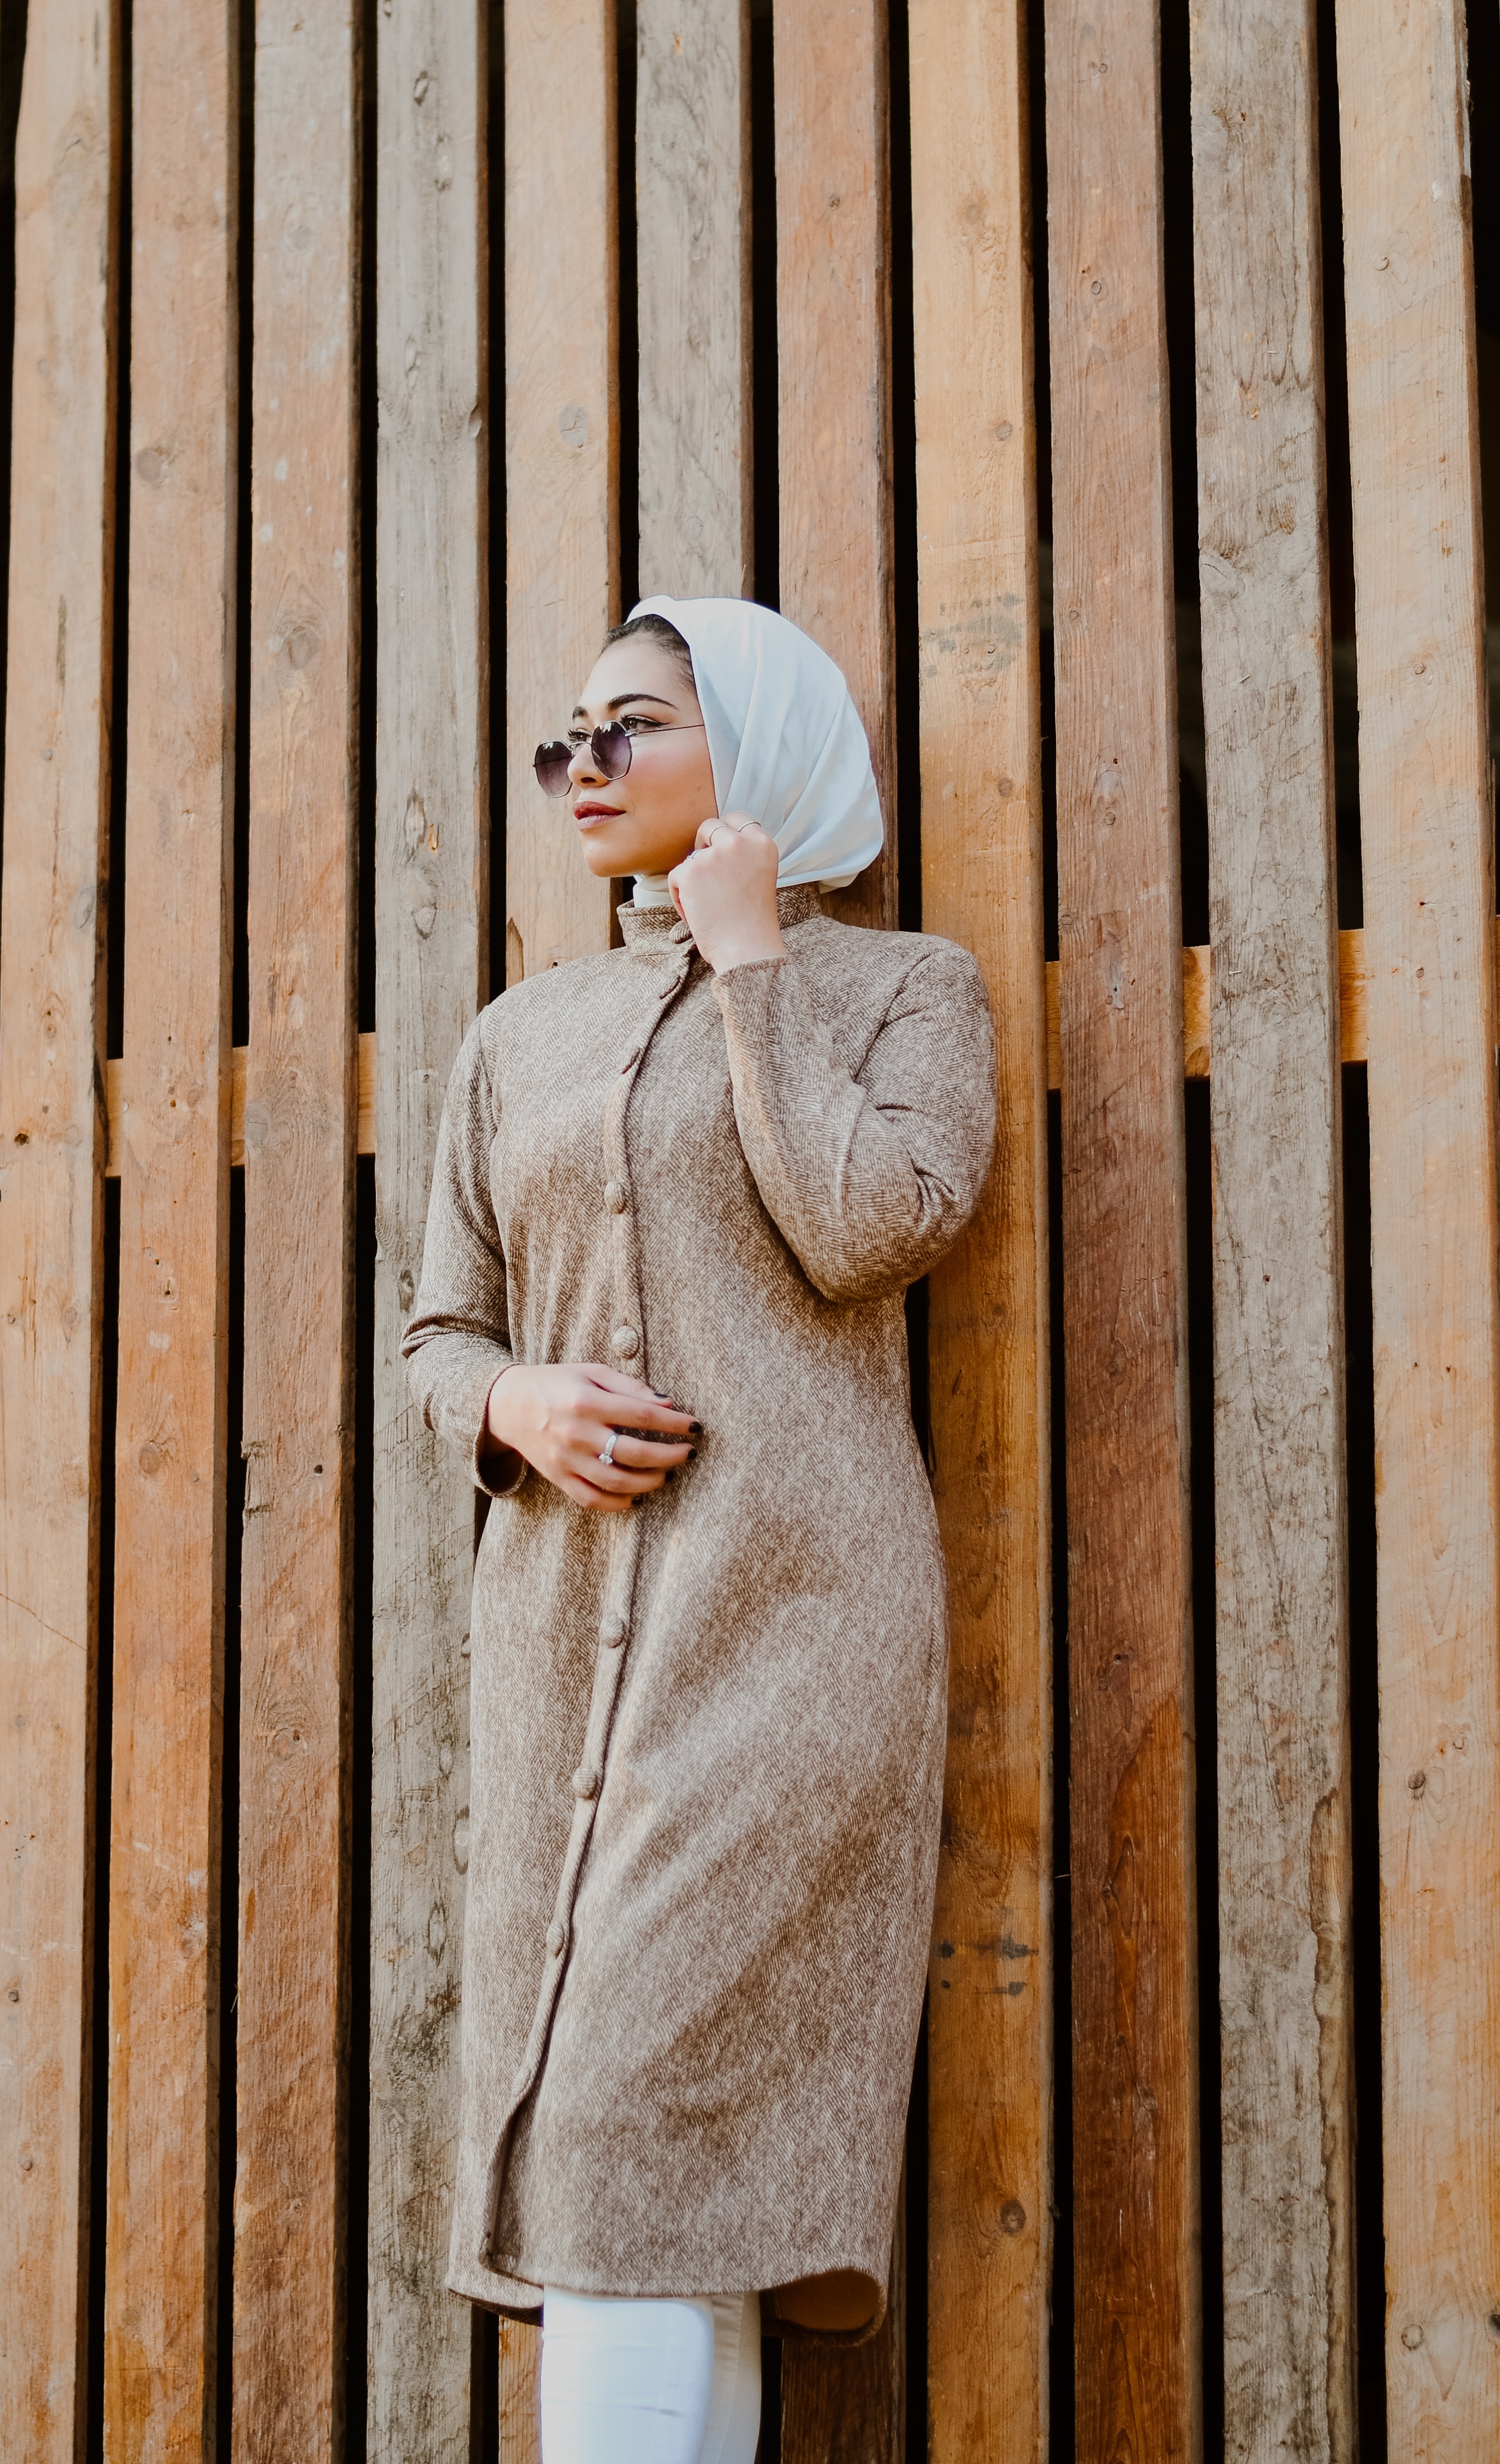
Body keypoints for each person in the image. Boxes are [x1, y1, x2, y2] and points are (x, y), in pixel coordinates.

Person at [402, 595, 997, 2464]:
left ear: (760, 745)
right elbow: (443, 1326)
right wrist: (513, 1403)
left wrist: (750, 967)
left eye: (632, 727)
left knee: (629, 2139)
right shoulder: (519, 1032)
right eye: (563, 736)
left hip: (791, 1638)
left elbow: (869, 1226)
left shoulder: (908, 987)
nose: (583, 767)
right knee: (656, 2181)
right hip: (561, 1648)